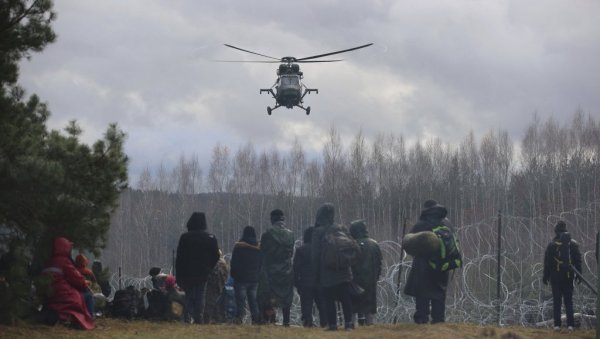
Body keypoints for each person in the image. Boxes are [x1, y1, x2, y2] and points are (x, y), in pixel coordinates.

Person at [404, 200, 453, 324]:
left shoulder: (421, 224)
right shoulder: (447, 224)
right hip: (442, 265)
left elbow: (408, 243)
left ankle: (422, 319)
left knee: (422, 294)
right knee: (439, 293)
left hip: (423, 265)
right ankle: (438, 320)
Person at [311, 203, 355, 331]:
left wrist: (315, 274)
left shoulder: (318, 231)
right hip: (344, 270)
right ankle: (348, 324)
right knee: (345, 297)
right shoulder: (342, 228)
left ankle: (333, 325)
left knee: (329, 299)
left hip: (327, 271)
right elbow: (351, 246)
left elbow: (315, 255)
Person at [175, 212, 220, 324]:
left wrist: (179, 274)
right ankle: (198, 318)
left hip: (187, 272)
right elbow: (216, 255)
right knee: (201, 296)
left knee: (188, 295)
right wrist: (209, 267)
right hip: (203, 273)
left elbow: (180, 257)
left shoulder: (185, 237)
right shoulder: (210, 238)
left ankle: (186, 317)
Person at [41, 237, 94, 330]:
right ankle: (89, 321)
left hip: (51, 297)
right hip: (65, 296)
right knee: (88, 296)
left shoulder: (49, 262)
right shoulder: (65, 262)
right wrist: (85, 283)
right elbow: (78, 280)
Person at [543, 220, 582, 331]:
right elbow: (578, 261)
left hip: (555, 277)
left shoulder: (552, 245)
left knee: (557, 301)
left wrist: (545, 276)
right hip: (568, 276)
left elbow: (548, 262)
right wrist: (579, 274)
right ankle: (570, 325)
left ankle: (557, 325)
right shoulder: (573, 244)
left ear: (556, 231)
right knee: (568, 301)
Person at [258, 209, 295, 326]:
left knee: (265, 297)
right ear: (283, 219)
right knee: (286, 297)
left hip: (270, 271)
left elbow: (262, 252)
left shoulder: (267, 234)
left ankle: (266, 320)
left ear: (272, 219)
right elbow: (291, 253)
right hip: (286, 270)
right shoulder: (291, 234)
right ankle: (286, 321)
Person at [349, 219, 382, 326]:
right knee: (369, 308)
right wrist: (376, 277)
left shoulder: (351, 245)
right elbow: (379, 263)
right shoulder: (374, 244)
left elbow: (348, 263)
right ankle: (370, 327)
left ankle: (351, 327)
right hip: (370, 281)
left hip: (354, 280)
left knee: (353, 306)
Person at [293, 226, 326, 327]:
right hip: (320, 281)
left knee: (306, 304)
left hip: (305, 282)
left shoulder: (300, 250)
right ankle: (325, 323)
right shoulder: (321, 249)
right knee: (322, 304)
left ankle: (308, 322)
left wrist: (296, 283)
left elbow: (296, 268)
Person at [230, 225, 262, 324]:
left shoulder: (238, 247)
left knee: (240, 302)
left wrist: (234, 275)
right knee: (254, 302)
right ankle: (256, 320)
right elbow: (261, 263)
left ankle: (239, 319)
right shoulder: (258, 247)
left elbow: (233, 263)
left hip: (240, 279)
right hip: (254, 279)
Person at [204, 250, 229, 324]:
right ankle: (218, 319)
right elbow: (226, 276)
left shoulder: (211, 263)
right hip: (220, 287)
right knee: (218, 304)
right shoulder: (223, 264)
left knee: (210, 304)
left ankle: (210, 319)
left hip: (212, 287)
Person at [74, 254, 96, 319]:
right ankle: (90, 317)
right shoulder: (89, 272)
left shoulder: (74, 271)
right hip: (84, 293)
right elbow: (95, 284)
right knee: (91, 297)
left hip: (75, 293)